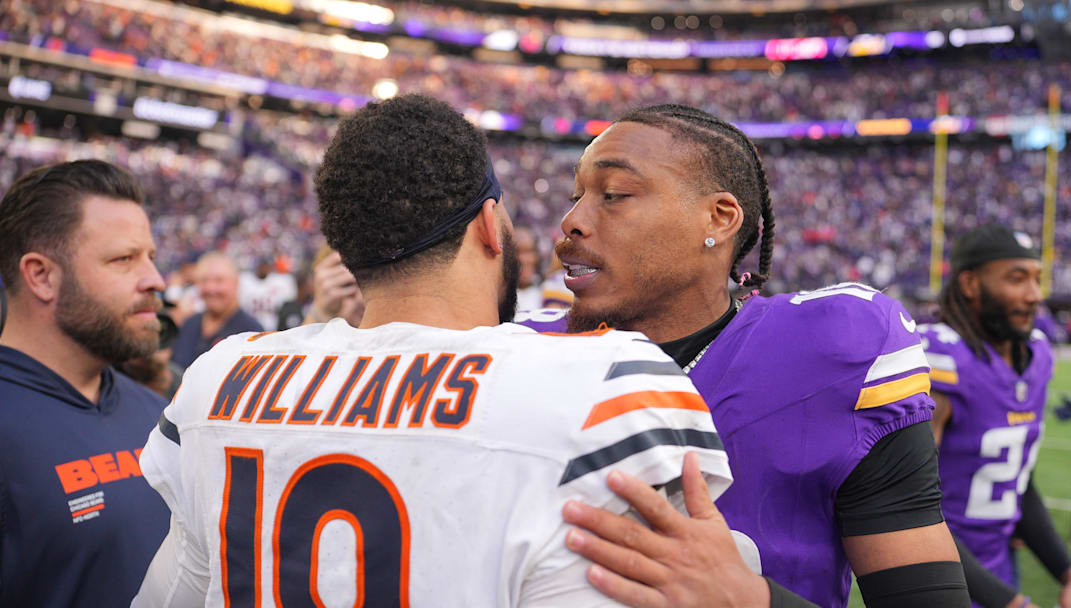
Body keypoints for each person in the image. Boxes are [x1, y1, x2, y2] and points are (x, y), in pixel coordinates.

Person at [132, 94, 742, 606]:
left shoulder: (222, 376)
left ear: (348, 247)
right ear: (487, 224)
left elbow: (170, 594)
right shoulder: (608, 382)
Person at [517, 104, 967, 607]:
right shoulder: (519, 352)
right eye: (576, 196)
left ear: (719, 217)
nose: (570, 222)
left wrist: (748, 600)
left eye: (614, 195)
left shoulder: (830, 349)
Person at [0, 160, 171, 606]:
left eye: (150, 257)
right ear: (41, 275)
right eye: (124, 259)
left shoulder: (155, 412)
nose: (155, 280)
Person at [920, 224, 1071, 608]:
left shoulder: (1036, 357)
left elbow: (1018, 482)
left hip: (1000, 567)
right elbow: (908, 507)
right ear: (971, 284)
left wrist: (1067, 572)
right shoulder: (941, 362)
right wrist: (1009, 603)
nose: (1034, 295)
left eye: (1037, 279)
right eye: (1017, 278)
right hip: (936, 580)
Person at [171, 251, 263, 369]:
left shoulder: (252, 332)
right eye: (204, 281)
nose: (211, 288)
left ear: (236, 283)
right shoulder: (189, 324)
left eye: (219, 280)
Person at [240, 256, 298, 331]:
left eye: (266, 266)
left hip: (273, 327)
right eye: (262, 266)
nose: (264, 269)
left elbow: (289, 305)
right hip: (251, 327)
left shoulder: (280, 282)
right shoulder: (245, 281)